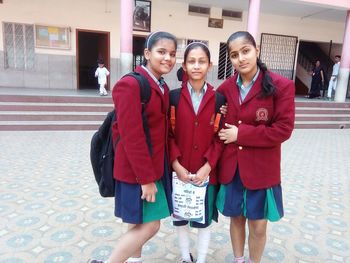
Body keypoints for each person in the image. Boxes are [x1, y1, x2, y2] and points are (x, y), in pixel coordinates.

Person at [88, 31, 177, 263]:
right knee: (151, 225)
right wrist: (146, 179)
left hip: (153, 167)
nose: (168, 58)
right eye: (161, 52)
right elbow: (131, 137)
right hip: (136, 172)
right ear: (147, 53)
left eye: (172, 54)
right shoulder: (130, 85)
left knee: (137, 220)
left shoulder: (161, 86)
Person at [216, 31, 295, 263]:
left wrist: (241, 134)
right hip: (233, 168)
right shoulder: (225, 89)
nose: (241, 58)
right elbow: (216, 124)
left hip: (262, 170)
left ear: (257, 50)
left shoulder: (282, 86)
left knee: (258, 225)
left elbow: (283, 129)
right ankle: (239, 259)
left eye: (245, 51)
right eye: (234, 54)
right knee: (236, 218)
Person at [169, 42, 224, 263]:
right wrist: (176, 165)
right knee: (181, 218)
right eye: (191, 61)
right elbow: (167, 136)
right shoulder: (172, 97)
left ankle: (200, 259)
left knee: (203, 219)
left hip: (206, 173)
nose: (196, 66)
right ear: (184, 65)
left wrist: (208, 166)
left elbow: (220, 138)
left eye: (201, 61)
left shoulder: (219, 99)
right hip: (179, 172)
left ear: (209, 65)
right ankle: (185, 257)